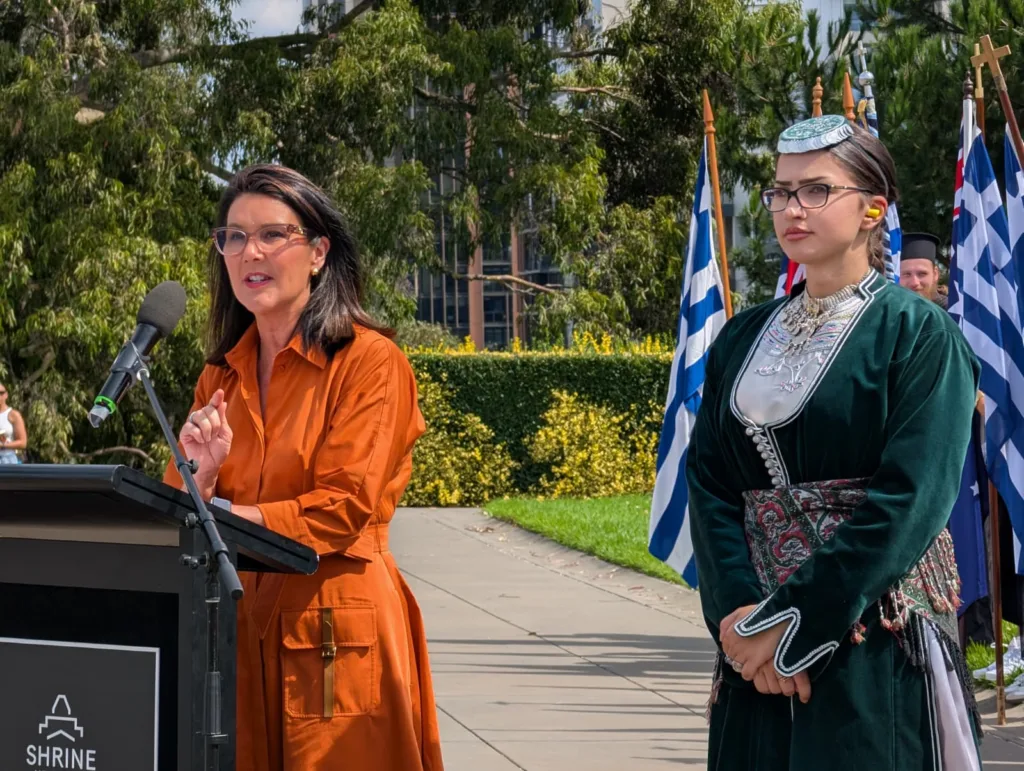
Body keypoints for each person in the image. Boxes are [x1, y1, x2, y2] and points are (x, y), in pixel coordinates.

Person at [689, 115, 982, 769]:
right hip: (753, 654)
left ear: (873, 209)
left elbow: (910, 499)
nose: (792, 207)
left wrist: (793, 622)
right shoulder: (741, 336)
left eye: (816, 190)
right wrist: (739, 615)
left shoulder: (918, 334)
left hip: (870, 638)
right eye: (781, 191)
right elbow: (708, 478)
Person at [163, 165, 443, 771]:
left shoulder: (370, 362)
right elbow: (177, 514)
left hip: (336, 637)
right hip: (236, 633)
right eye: (233, 237)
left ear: (319, 252)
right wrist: (199, 478)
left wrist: (230, 519)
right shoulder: (221, 374)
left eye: (271, 235)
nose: (249, 252)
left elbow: (344, 506)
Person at [899, 232, 946, 307]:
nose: (914, 283)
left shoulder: (952, 313)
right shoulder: (886, 313)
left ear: (935, 274)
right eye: (906, 274)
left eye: (922, 274)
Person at [0, 382, 27, 464]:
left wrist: (3, 445)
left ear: (6, 395)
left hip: (7, 459)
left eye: (1, 393)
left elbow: (23, 443)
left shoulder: (13, 414)